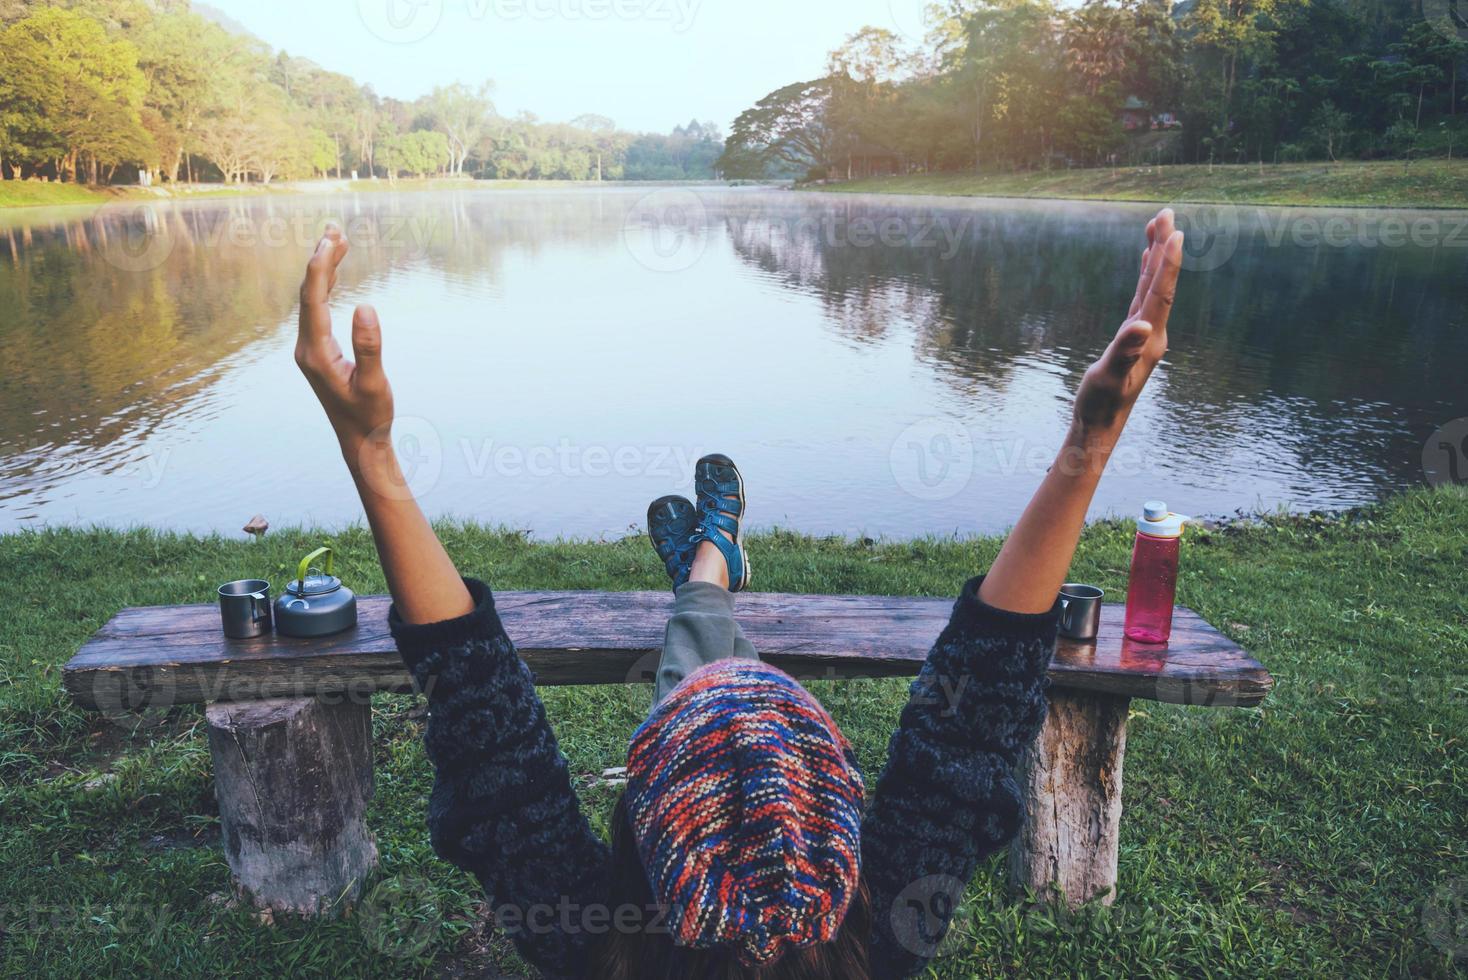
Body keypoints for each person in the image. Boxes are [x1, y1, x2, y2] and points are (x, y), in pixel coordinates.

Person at [293, 208, 1184, 979]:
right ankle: (710, 563)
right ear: (847, 851)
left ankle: (709, 568)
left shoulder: (612, 943)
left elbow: (490, 743)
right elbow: (978, 713)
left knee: (697, 637)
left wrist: (368, 452)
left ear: (640, 839)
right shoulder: (871, 938)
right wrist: (1089, 442)